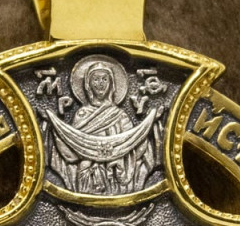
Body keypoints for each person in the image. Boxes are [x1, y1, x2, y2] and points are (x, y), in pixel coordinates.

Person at [47, 58, 159, 195]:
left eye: (104, 79)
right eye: (96, 79)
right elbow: (72, 146)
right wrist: (56, 128)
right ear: (88, 84)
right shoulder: (82, 114)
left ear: (111, 83)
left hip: (115, 175)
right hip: (88, 176)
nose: (100, 84)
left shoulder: (120, 116)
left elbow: (132, 144)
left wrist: (149, 125)